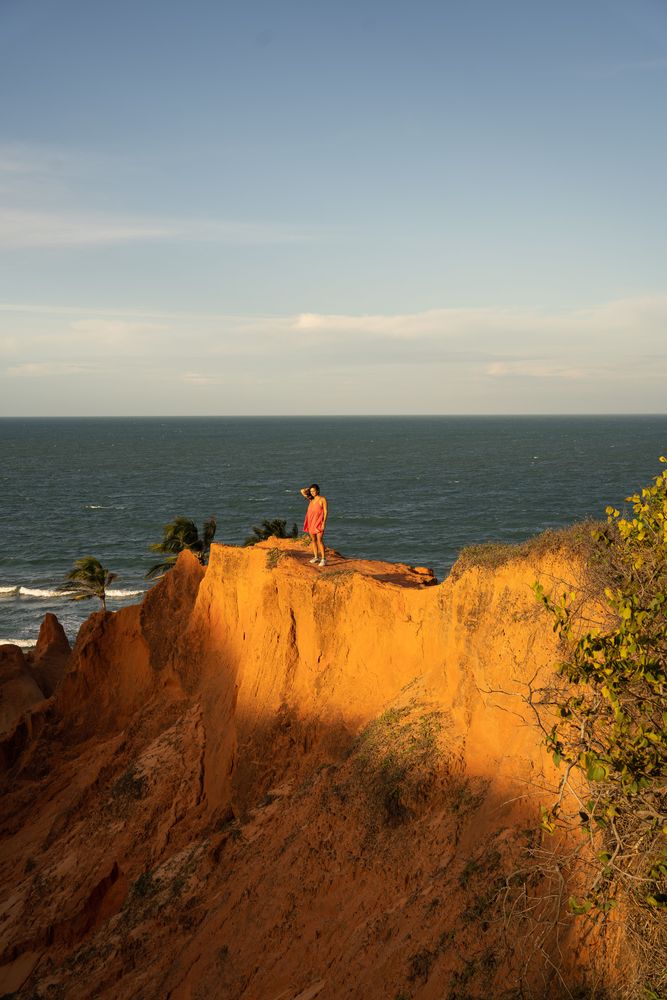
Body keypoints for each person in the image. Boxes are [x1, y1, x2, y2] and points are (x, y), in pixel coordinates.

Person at [300, 483, 328, 566]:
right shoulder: (310, 499)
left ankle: (323, 559)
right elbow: (302, 491)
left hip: (319, 522)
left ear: (318, 491)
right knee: (313, 540)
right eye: (311, 491)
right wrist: (308, 489)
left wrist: (323, 523)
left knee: (319, 540)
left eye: (313, 491)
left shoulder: (322, 499)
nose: (312, 493)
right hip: (311, 522)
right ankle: (316, 557)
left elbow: (326, 511)